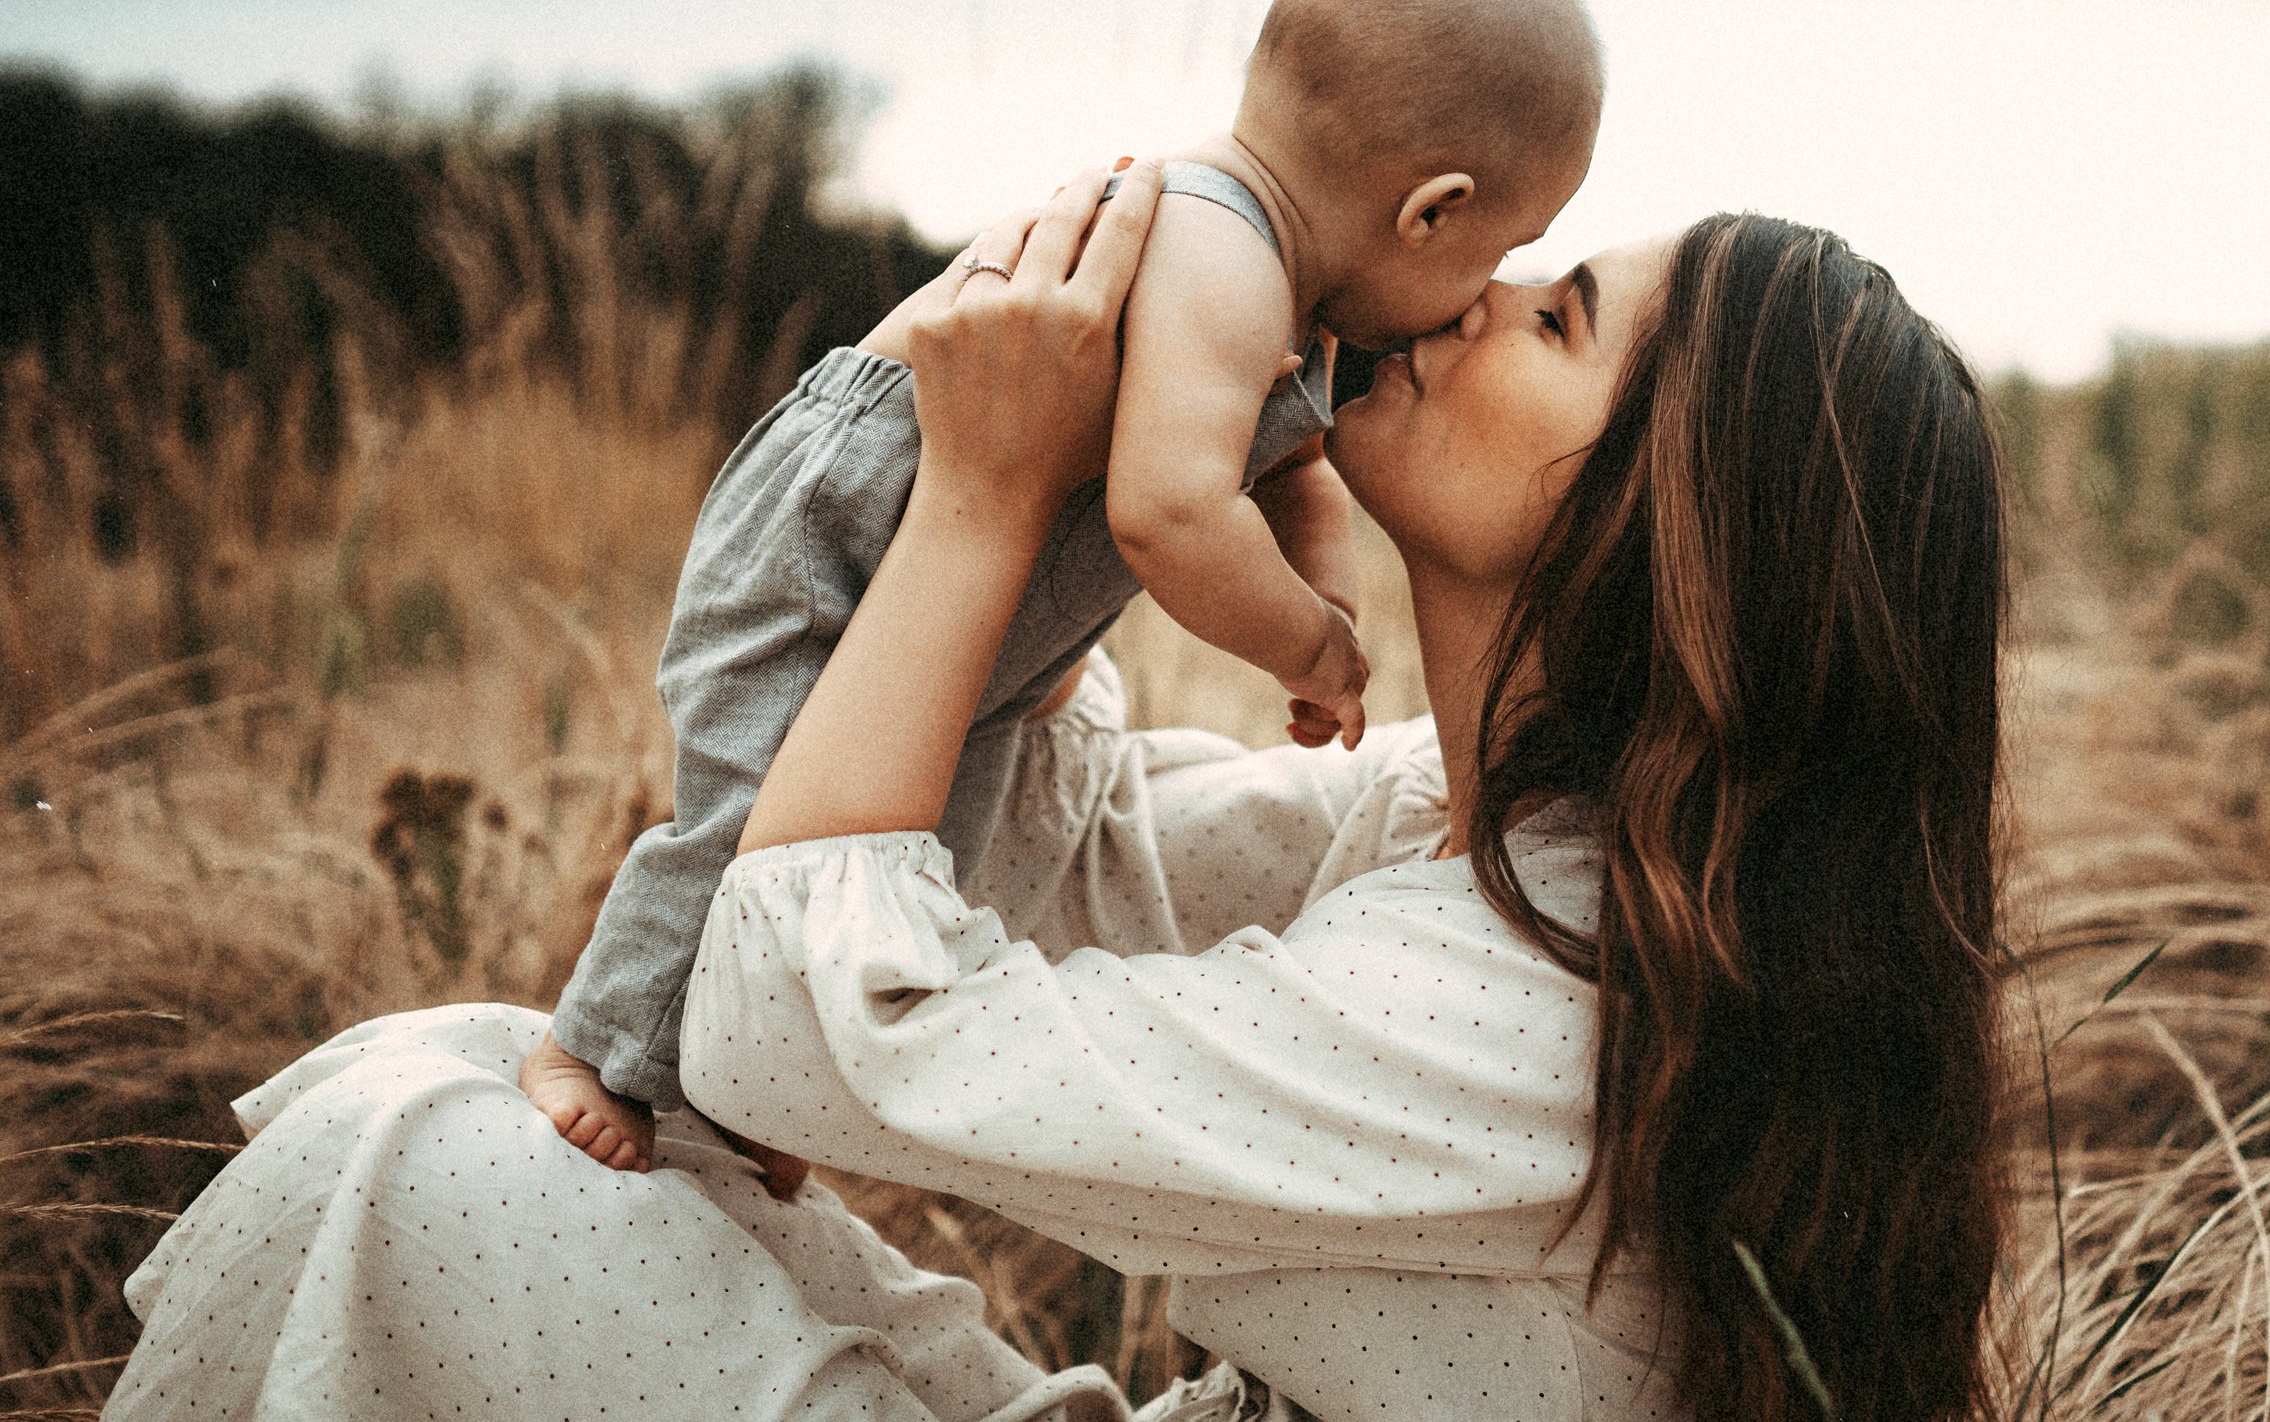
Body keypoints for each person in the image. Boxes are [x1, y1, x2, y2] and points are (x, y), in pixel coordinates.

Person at [110, 166, 2010, 1422]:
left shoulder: (1542, 1005)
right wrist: (1119, 433)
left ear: (1681, 538)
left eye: (1564, 318)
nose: (1484, 288)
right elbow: (1024, 845)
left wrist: (976, 499)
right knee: (442, 1091)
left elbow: (797, 1023)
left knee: (449, 1186)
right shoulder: (1502, 841)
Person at [525, 0, 1606, 1182]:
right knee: (755, 804)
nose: (1488, 294)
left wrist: (1325, 596)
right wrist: (1302, 643)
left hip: (963, 609)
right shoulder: (1219, 252)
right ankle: (597, 1045)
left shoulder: (1291, 299)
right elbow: (1170, 511)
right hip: (835, 545)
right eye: (1509, 250)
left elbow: (1293, 472)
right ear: (1431, 211)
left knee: (921, 843)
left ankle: (744, 1074)